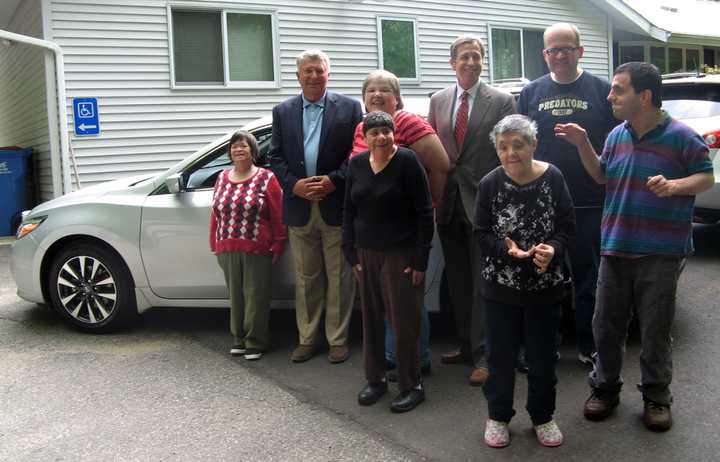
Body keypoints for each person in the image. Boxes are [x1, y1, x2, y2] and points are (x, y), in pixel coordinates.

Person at [555, 62, 714, 432]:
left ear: (643, 95)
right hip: (615, 245)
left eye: (618, 89)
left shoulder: (681, 136)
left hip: (661, 251)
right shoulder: (615, 136)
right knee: (605, 325)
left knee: (656, 329)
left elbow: (706, 175)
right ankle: (605, 388)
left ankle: (657, 397)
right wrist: (583, 145)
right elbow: (600, 175)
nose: (610, 96)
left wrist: (676, 186)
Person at [518, 23, 619, 367]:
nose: (559, 56)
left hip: (589, 202)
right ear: (544, 54)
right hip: (542, 202)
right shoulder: (531, 93)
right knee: (539, 276)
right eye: (552, 50)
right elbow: (520, 146)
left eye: (566, 48)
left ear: (580, 51)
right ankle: (542, 346)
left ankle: (589, 345)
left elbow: (615, 146)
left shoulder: (601, 90)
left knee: (588, 279)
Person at [476, 114, 575, 448]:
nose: (510, 152)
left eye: (518, 145)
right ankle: (498, 416)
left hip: (545, 288)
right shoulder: (490, 182)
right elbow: (482, 232)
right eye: (503, 147)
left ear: (534, 144)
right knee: (499, 357)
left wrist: (553, 250)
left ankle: (543, 416)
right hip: (499, 289)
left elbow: (566, 225)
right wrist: (508, 253)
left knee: (543, 357)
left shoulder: (554, 177)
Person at [428, 34, 516, 386]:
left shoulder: (502, 101)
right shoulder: (438, 100)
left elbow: (510, 154)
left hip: (485, 202)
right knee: (459, 281)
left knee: (484, 284)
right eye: (464, 57)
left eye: (476, 56)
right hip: (449, 203)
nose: (470, 62)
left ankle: (486, 355)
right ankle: (465, 345)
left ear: (483, 61)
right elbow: (433, 149)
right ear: (452, 63)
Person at [351, 69, 449, 380]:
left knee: (407, 299)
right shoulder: (361, 128)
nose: (377, 95)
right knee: (385, 299)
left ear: (398, 98)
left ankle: (416, 359)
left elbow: (441, 165)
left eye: (385, 90)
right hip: (373, 237)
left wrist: (428, 206)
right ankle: (394, 358)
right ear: (364, 99)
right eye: (371, 91)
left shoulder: (406, 123)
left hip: (403, 236)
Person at [268, 49, 363, 364]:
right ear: (298, 76)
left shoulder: (349, 108)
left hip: (335, 204)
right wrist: (294, 184)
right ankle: (307, 338)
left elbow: (356, 153)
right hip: (299, 206)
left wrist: (334, 180)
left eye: (319, 70)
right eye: (307, 71)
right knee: (306, 277)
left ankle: (337, 339)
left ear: (328, 74)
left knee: (339, 276)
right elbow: (275, 157)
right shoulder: (282, 111)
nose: (313, 75)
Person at [342, 111, 434, 413]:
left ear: (394, 133)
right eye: (374, 132)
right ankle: (376, 379)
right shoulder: (356, 164)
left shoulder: (407, 161)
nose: (381, 137)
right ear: (364, 137)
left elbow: (424, 211)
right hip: (366, 253)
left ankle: (411, 384)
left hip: (401, 254)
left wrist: (420, 259)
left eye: (386, 131)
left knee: (402, 320)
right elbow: (348, 212)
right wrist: (350, 252)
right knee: (370, 319)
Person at [210, 130, 287, 361]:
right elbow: (215, 214)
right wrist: (213, 242)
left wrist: (278, 243)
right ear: (230, 152)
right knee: (236, 296)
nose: (239, 149)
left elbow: (277, 214)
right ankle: (239, 339)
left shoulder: (266, 178)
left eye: (244, 146)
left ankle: (255, 341)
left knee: (256, 296)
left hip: (257, 247)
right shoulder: (222, 177)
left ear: (253, 151)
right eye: (234, 146)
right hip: (227, 246)